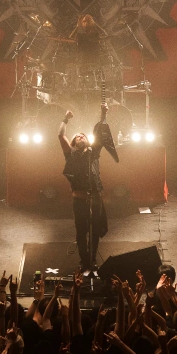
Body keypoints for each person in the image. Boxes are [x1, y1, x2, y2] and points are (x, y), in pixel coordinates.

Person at [58, 102, 118, 272]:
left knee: (95, 230)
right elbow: (60, 135)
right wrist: (65, 119)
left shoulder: (93, 152)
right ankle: (84, 261)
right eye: (78, 136)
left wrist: (103, 114)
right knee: (81, 232)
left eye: (83, 135)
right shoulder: (70, 154)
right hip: (79, 199)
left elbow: (100, 133)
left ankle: (92, 260)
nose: (81, 137)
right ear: (74, 142)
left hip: (95, 198)